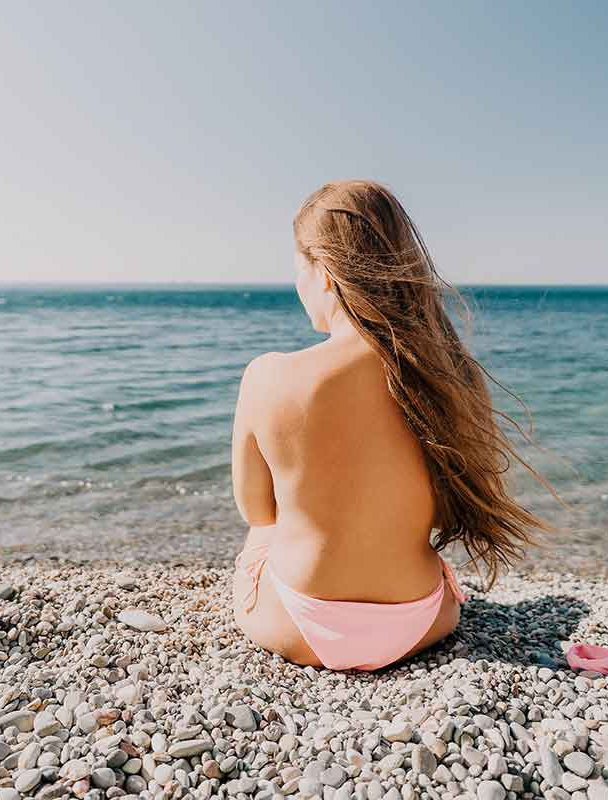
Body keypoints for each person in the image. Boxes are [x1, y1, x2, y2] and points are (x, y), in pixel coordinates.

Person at [230, 180, 551, 671]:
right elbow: (444, 512)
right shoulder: (447, 375)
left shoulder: (269, 375)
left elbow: (257, 509)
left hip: (297, 623)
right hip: (422, 620)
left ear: (323, 274)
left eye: (298, 269)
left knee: (263, 536)